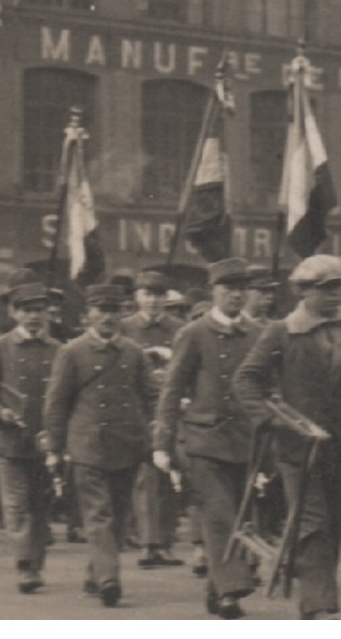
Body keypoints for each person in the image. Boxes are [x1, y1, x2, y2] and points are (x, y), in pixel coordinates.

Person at [235, 255, 341, 620]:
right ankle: (318, 604)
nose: (334, 295)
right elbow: (246, 379)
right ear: (304, 291)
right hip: (298, 446)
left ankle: (315, 588)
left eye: (338, 287)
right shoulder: (282, 332)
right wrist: (270, 419)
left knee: (332, 523)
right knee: (311, 519)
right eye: (326, 288)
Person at [153, 258, 262, 618]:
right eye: (228, 288)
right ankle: (231, 590)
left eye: (241, 288)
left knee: (241, 516)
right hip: (204, 441)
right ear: (214, 291)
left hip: (246, 443)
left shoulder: (258, 333)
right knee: (219, 515)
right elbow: (171, 390)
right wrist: (162, 442)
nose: (236, 295)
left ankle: (217, 589)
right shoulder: (194, 333)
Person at [42, 283, 158, 607]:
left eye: (113, 311)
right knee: (98, 514)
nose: (107, 317)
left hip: (127, 445)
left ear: (122, 314)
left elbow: (152, 395)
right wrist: (54, 445)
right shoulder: (72, 352)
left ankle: (96, 572)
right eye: (100, 310)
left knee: (119, 516)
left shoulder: (134, 352)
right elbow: (57, 402)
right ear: (87, 315)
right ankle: (109, 579)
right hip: (88, 446)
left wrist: (155, 431)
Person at [0, 282, 62, 593]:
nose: (34, 317)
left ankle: (36, 562)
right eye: (27, 310)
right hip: (8, 440)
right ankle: (24, 566)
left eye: (39, 310)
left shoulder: (59, 350)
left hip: (45, 441)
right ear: (14, 313)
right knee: (16, 504)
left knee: (40, 505)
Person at [120, 269, 183, 569]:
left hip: (172, 410)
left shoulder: (180, 329)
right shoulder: (124, 329)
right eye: (147, 294)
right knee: (144, 478)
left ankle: (166, 543)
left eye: (159, 294)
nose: (153, 301)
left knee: (169, 475)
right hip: (137, 411)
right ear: (136, 297)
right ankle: (147, 542)